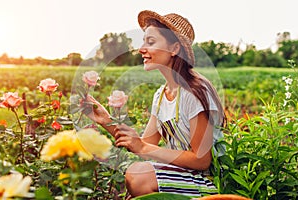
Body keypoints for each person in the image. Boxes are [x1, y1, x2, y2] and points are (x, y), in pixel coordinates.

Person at [85, 10, 226, 198]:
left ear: (174, 49)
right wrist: (106, 121)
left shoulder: (194, 92)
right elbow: (144, 146)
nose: (141, 49)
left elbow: (201, 160)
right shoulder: (161, 95)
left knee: (139, 175)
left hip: (205, 182)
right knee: (137, 172)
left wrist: (143, 148)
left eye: (150, 42)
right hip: (179, 175)